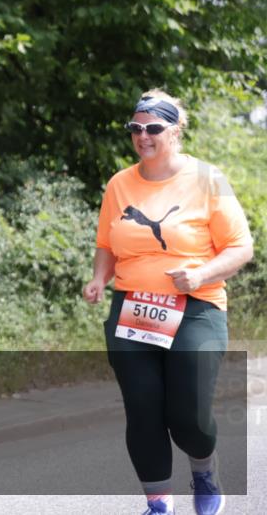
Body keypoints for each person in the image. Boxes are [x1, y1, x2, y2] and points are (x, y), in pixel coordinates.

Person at [82, 89, 254, 515]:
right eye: (136, 129)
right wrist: (98, 278)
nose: (144, 136)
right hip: (132, 307)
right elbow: (107, 242)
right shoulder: (120, 183)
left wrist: (199, 274)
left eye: (154, 127)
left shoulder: (207, 179)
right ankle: (158, 504)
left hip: (195, 307)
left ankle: (205, 471)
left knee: (190, 415)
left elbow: (240, 247)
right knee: (142, 409)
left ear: (175, 131)